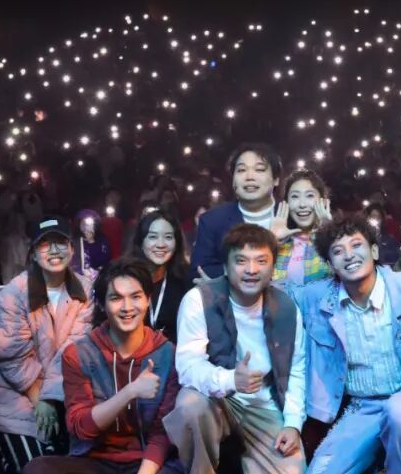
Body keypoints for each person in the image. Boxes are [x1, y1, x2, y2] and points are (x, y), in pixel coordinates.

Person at [295, 214, 401, 474]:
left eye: (357, 245)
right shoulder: (317, 297)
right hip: (361, 407)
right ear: (330, 264)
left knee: (400, 411)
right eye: (338, 251)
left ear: (375, 251)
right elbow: (269, 294)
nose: (349, 255)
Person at [20, 256, 187, 474]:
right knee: (37, 471)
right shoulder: (79, 354)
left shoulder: (167, 354)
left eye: (136, 297)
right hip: (96, 464)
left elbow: (160, 437)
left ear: (148, 299)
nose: (127, 307)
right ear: (102, 303)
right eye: (116, 298)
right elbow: (80, 428)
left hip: (146, 467)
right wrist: (130, 392)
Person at [165, 224, 307, 474]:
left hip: (261, 402)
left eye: (261, 261)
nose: (251, 270)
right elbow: (188, 366)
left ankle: (233, 454)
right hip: (216, 398)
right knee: (190, 405)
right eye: (241, 261)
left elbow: (297, 368)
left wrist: (293, 423)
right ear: (226, 267)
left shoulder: (287, 308)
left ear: (273, 267)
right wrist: (231, 379)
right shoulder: (199, 299)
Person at [0, 217, 94, 474]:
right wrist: (39, 398)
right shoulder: (15, 291)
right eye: (45, 244)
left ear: (71, 248)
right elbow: (12, 355)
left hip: (60, 391)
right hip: (14, 390)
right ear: (33, 253)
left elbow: (73, 349)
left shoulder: (85, 289)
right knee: (37, 468)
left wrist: (51, 398)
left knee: (74, 463)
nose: (54, 250)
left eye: (61, 243)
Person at [191, 143, 282, 279]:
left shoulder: (294, 217)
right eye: (241, 170)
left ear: (276, 180)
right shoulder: (212, 221)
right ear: (233, 180)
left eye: (259, 169)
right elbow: (199, 271)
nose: (249, 176)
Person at [132, 209, 193, 343]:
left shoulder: (186, 281)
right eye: (153, 237)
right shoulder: (125, 280)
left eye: (168, 237)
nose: (161, 244)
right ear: (141, 242)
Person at [272, 169, 334, 290]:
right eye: (295, 196)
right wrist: (271, 241)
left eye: (309, 195)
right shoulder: (279, 242)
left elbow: (348, 277)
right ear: (286, 203)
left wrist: (330, 234)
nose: (302, 204)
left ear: (323, 200)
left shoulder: (335, 239)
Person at [75, 209, 112, 279]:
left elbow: (104, 260)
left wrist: (91, 242)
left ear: (95, 225)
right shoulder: (75, 240)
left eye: (89, 224)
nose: (86, 226)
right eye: (83, 223)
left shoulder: (102, 240)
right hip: (80, 278)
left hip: (98, 277)